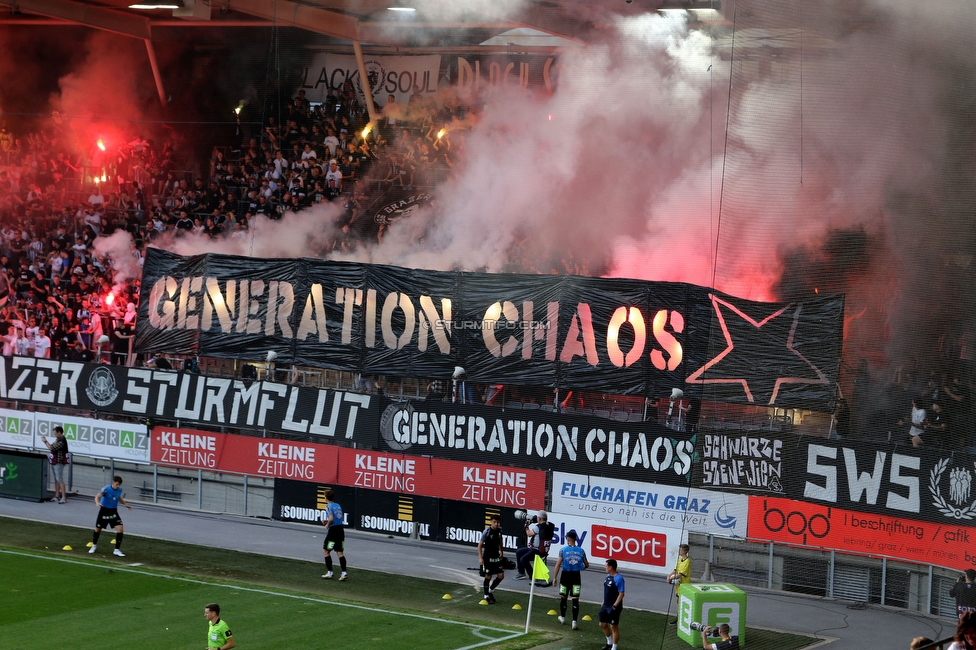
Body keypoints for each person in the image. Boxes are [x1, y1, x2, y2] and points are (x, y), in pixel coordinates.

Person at [551, 528, 588, 629]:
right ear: (575, 539)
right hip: (576, 576)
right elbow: (586, 565)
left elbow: (557, 565)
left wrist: (554, 578)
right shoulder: (581, 550)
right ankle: (574, 622)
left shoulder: (563, 550)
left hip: (565, 576)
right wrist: (580, 567)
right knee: (575, 598)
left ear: (568, 539)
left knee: (564, 597)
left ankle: (562, 617)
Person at [90, 475, 132, 556]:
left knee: (120, 529)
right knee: (98, 529)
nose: (118, 486)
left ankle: (116, 550)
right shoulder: (106, 489)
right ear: (113, 482)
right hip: (104, 510)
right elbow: (97, 496)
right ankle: (94, 546)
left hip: (113, 511)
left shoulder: (119, 489)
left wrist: (125, 504)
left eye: (119, 484)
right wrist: (97, 503)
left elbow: (118, 497)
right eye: (117, 484)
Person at [515, 511, 554, 581]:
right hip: (543, 550)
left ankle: (532, 576)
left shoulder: (538, 527)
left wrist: (526, 527)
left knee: (523, 559)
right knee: (519, 552)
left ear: (539, 519)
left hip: (537, 550)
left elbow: (529, 534)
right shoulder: (549, 525)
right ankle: (521, 573)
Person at [477, 513, 505, 604]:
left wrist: (501, 551)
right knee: (488, 576)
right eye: (494, 522)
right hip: (487, 557)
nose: (496, 524)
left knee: (501, 576)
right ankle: (486, 595)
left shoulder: (500, 530)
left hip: (496, 556)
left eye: (498, 522)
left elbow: (500, 541)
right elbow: (480, 545)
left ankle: (490, 590)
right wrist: (480, 558)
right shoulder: (487, 532)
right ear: (491, 522)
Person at [321, 488, 348, 580]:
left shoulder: (328, 506)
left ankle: (330, 572)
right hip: (340, 529)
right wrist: (327, 521)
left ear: (325, 497)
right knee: (340, 552)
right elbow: (336, 517)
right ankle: (344, 573)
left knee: (326, 550)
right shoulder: (338, 505)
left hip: (333, 531)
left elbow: (332, 518)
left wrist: (327, 524)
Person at [599, 559, 625, 650]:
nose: (604, 567)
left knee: (613, 626)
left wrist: (615, 605)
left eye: (606, 566)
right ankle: (609, 642)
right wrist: (603, 601)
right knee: (602, 624)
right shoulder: (607, 577)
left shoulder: (619, 578)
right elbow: (607, 591)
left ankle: (614, 647)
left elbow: (621, 594)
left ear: (610, 567)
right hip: (605, 605)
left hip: (614, 607)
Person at [40, 425, 69, 503]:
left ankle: (63, 497)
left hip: (59, 462)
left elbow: (52, 448)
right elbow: (51, 446)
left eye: (55, 433)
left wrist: (45, 441)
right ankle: (57, 496)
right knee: (56, 479)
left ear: (59, 432)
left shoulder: (62, 441)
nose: (54, 434)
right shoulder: (58, 440)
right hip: (54, 462)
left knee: (59, 479)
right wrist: (46, 442)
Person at [666, 543, 692, 622]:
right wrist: (669, 576)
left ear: (684, 551)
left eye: (680, 549)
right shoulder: (679, 560)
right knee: (677, 601)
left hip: (684, 585)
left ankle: (684, 618)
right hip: (678, 586)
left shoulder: (687, 561)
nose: (679, 551)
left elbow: (681, 574)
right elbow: (675, 570)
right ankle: (679, 617)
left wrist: (671, 578)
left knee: (683, 602)